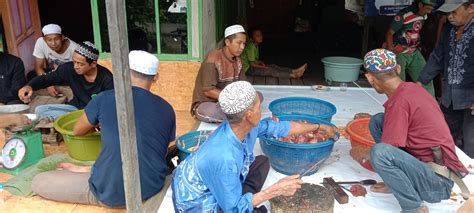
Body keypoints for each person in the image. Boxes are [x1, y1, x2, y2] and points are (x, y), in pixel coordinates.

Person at [31, 50, 176, 207]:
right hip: (152, 185)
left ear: (123, 72)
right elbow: (156, 151)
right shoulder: (167, 108)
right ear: (155, 77)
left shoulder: (104, 98)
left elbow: (77, 131)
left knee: (39, 181)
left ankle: (93, 176)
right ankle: (90, 170)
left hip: (112, 192)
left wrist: (98, 122)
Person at [173, 81, 338, 212]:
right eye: (260, 108)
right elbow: (233, 209)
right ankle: (242, 200)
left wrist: (319, 127)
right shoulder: (224, 157)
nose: (263, 112)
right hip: (197, 203)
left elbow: (283, 128)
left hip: (220, 178)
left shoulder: (245, 126)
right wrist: (274, 190)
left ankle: (241, 196)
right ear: (249, 116)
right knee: (246, 208)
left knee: (262, 163)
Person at [364, 49, 468, 213]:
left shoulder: (399, 102)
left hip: (438, 183)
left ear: (370, 78)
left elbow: (387, 150)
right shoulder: (411, 89)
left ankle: (414, 207)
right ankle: (399, 183)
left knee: (380, 153)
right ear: (398, 69)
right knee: (378, 121)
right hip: (432, 169)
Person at [419, 0, 474, 158]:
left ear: (471, 8)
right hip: (450, 96)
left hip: (471, 98)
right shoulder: (449, 30)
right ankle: (447, 173)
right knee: (444, 137)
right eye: (447, 13)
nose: (449, 16)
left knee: (471, 143)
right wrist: (421, 81)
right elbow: (437, 57)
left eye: (454, 12)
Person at [18, 41, 114, 119]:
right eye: (74, 61)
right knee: (40, 110)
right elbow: (46, 79)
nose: (76, 66)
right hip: (75, 109)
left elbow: (110, 106)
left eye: (80, 64)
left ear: (93, 64)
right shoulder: (69, 69)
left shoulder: (107, 79)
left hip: (95, 114)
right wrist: (29, 86)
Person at [191, 24, 248, 123]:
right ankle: (235, 115)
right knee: (214, 112)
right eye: (239, 43)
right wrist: (233, 99)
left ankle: (234, 114)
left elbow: (243, 85)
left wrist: (246, 96)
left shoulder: (238, 61)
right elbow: (208, 91)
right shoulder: (213, 59)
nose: (242, 47)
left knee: (257, 96)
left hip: (228, 102)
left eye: (244, 43)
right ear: (227, 42)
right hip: (208, 103)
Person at [385, 0, 436, 96]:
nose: (429, 12)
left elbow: (417, 30)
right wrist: (391, 52)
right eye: (428, 8)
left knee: (425, 77)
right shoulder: (403, 15)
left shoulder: (424, 16)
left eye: (431, 9)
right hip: (400, 52)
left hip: (414, 51)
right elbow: (389, 33)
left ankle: (430, 104)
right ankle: (399, 105)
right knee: (399, 83)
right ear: (420, 5)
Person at [32, 24, 77, 99]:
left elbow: (78, 71)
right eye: (49, 40)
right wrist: (48, 84)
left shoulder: (74, 49)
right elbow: (38, 67)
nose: (53, 43)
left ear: (62, 37)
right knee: (32, 75)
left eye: (56, 39)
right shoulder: (40, 42)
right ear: (44, 39)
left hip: (68, 75)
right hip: (52, 73)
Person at [241, 28, 307, 78]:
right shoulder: (251, 46)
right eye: (257, 35)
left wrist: (260, 62)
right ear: (252, 38)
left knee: (273, 66)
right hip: (248, 69)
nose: (260, 36)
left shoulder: (255, 45)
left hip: (252, 66)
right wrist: (264, 67)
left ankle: (294, 70)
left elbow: (254, 60)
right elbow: (252, 65)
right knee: (270, 70)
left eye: (260, 34)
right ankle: (293, 75)